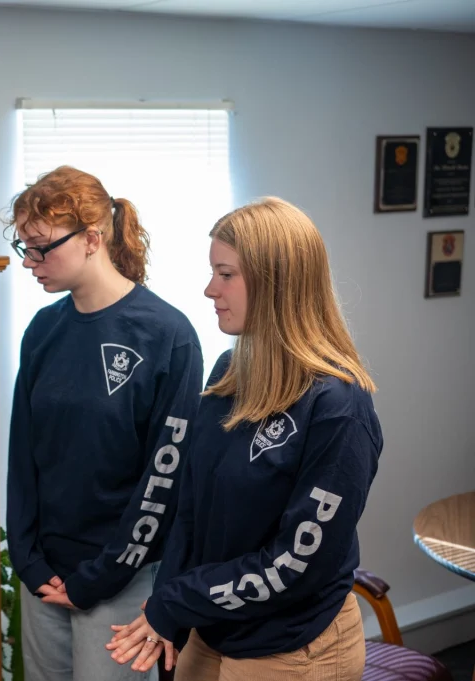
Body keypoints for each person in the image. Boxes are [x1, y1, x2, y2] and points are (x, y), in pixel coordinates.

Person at [107, 197, 381, 681]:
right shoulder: (229, 373)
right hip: (212, 625)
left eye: (225, 274)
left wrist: (177, 600)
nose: (210, 289)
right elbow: (191, 510)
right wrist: (167, 613)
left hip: (292, 644)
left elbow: (296, 562)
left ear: (277, 281)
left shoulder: (338, 405)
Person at [5, 166, 204, 681]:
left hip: (123, 579)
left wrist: (102, 576)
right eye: (23, 245)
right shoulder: (43, 330)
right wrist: (26, 560)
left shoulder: (168, 336)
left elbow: (163, 478)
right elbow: (23, 455)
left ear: (92, 238)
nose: (29, 262)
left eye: (42, 247)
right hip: (44, 577)